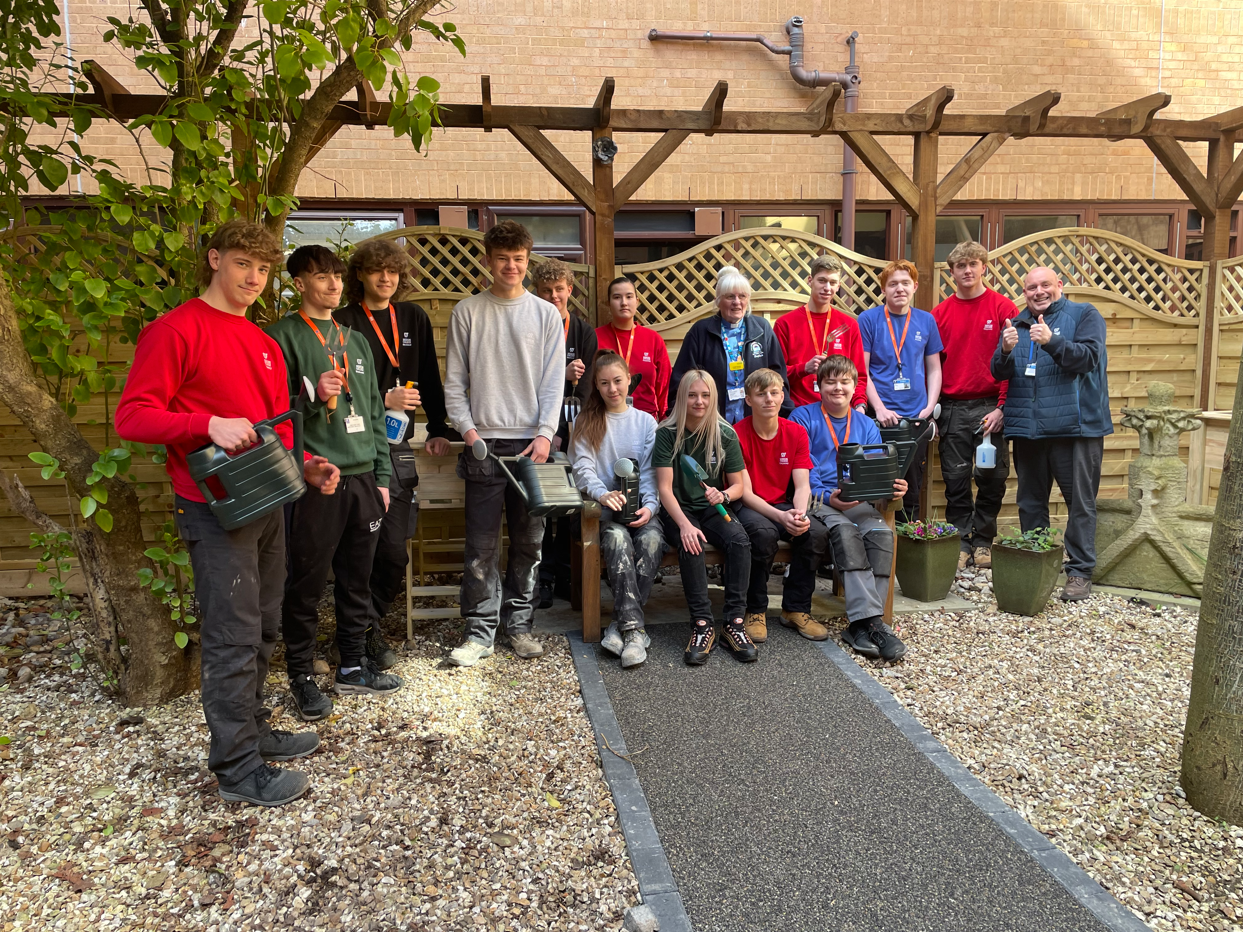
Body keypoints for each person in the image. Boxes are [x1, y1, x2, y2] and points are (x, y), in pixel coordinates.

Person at [115, 220, 341, 807]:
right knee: (231, 634)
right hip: (213, 510)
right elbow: (133, 417)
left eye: (264, 270)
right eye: (244, 264)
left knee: (264, 625)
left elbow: (275, 427)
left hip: (267, 500)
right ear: (214, 258)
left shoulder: (264, 343)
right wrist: (204, 424)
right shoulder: (174, 331)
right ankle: (237, 768)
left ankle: (255, 729)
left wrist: (308, 463)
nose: (253, 278)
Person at [267, 245, 403, 722]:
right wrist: (310, 398)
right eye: (321, 277)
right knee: (304, 582)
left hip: (364, 477)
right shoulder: (280, 337)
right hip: (315, 481)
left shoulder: (354, 339)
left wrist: (382, 476)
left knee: (356, 578)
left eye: (337, 277)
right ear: (299, 283)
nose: (333, 285)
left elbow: (372, 414)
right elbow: (272, 417)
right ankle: (301, 675)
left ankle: (352, 664)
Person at [443, 220, 564, 666]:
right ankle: (478, 632)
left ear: (527, 262)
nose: (510, 266)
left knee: (530, 544)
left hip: (533, 447)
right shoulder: (467, 312)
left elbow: (554, 384)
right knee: (480, 545)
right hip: (483, 447)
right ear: (487, 261)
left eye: (518, 259)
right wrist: (469, 431)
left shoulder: (546, 315)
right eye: (502, 259)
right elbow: (454, 384)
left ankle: (518, 625)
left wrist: (546, 434)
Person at [335, 238, 452, 669]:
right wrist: (380, 401)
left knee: (392, 553)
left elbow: (429, 380)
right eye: (377, 270)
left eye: (393, 272)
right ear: (360, 275)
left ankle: (362, 628)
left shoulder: (413, 317)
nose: (386, 278)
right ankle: (361, 638)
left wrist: (438, 428)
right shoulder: (342, 322)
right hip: (351, 446)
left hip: (398, 447)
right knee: (355, 552)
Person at [992, 266, 1111, 602]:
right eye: (1031, 288)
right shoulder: (1016, 324)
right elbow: (999, 373)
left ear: (1059, 285)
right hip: (1030, 430)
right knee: (1030, 502)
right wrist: (1003, 351)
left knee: (1080, 504)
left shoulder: (1084, 314)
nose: (1038, 292)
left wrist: (1053, 341)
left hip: (1075, 429)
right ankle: (1036, 558)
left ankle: (1079, 571)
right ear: (1024, 292)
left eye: (1045, 285)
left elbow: (1089, 358)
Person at [791, 355, 908, 662]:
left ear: (855, 386)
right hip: (819, 501)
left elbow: (876, 468)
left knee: (881, 534)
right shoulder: (802, 418)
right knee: (845, 532)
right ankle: (871, 624)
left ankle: (864, 623)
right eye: (830, 381)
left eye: (845, 382)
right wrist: (829, 497)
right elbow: (803, 470)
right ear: (819, 386)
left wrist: (893, 486)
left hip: (858, 501)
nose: (838, 388)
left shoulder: (866, 425)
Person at [654, 370, 757, 665]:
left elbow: (738, 486)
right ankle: (702, 624)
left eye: (705, 395)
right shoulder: (666, 434)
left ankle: (734, 623)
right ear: (682, 398)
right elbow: (664, 489)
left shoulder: (725, 434)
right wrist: (685, 525)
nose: (699, 401)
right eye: (692, 395)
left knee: (740, 540)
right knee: (692, 543)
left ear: (713, 398)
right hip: (678, 509)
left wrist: (722, 495)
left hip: (713, 508)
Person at [571, 351, 663, 668]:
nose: (613, 389)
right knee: (616, 541)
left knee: (651, 542)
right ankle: (635, 632)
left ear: (629, 380)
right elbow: (582, 470)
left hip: (643, 512)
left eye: (618, 381)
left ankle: (618, 625)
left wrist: (650, 507)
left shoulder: (646, 422)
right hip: (606, 514)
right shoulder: (587, 421)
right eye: (605, 383)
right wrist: (601, 493)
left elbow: (653, 472)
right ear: (596, 386)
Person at [933, 241, 1017, 570]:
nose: (967, 270)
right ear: (951, 272)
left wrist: (1002, 407)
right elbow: (934, 367)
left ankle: (983, 541)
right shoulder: (940, 314)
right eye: (960, 265)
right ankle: (960, 542)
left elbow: (1012, 363)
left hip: (989, 408)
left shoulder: (1002, 308)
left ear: (984, 267)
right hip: (953, 407)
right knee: (955, 480)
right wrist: (936, 410)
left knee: (992, 477)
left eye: (974, 264)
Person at [734, 368, 830, 644]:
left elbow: (802, 486)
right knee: (763, 535)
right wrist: (780, 516)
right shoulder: (737, 434)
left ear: (782, 396)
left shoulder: (796, 433)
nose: (769, 399)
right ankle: (755, 610)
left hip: (785, 503)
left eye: (774, 393)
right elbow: (745, 492)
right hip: (749, 504)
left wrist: (799, 514)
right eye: (761, 394)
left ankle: (796, 609)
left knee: (815, 532)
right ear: (749, 399)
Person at [532, 258, 598, 608]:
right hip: (540, 433)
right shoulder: (531, 327)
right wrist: (560, 371)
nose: (554, 295)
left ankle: (567, 577)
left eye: (559, 289)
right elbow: (530, 383)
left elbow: (585, 387)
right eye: (546, 290)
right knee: (546, 508)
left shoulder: (584, 332)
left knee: (571, 508)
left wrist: (568, 432)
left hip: (576, 431)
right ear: (537, 294)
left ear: (570, 291)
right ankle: (543, 577)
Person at [858, 259, 943, 523]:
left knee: (912, 483)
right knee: (879, 481)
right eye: (893, 284)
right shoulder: (868, 320)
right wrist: (880, 408)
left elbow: (934, 369)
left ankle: (909, 541)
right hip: (880, 418)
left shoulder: (926, 321)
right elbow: (863, 371)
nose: (900, 289)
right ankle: (879, 539)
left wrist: (929, 408)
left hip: (916, 417)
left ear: (915, 286)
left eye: (905, 283)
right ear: (883, 289)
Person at [668, 265, 790, 424]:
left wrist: (786, 411)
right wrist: (675, 416)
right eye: (730, 296)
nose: (737, 302)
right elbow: (683, 379)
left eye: (742, 296)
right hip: (711, 420)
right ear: (718, 301)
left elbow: (778, 375)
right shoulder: (700, 331)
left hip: (755, 420)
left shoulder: (762, 329)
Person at [774, 254, 868, 410]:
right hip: (800, 411)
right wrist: (804, 368)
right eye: (822, 281)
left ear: (838, 286)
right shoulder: (785, 324)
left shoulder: (849, 325)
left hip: (841, 411)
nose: (827, 288)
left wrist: (860, 405)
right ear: (810, 281)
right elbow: (776, 375)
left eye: (833, 282)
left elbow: (859, 375)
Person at [595, 276, 671, 421]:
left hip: (647, 420)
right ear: (608, 303)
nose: (624, 303)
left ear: (637, 301)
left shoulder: (653, 339)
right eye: (617, 297)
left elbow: (665, 386)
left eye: (629, 297)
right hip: (605, 419)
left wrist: (664, 421)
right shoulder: (596, 337)